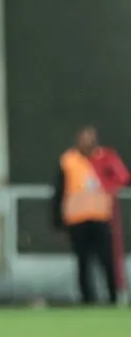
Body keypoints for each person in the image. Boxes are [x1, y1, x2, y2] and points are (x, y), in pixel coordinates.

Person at [51, 127, 120, 305]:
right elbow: (59, 190)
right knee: (83, 261)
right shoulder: (68, 160)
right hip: (77, 219)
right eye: (84, 139)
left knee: (107, 259)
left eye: (90, 139)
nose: (87, 142)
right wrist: (57, 218)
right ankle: (87, 299)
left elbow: (121, 177)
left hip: (100, 217)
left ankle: (113, 297)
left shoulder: (106, 158)